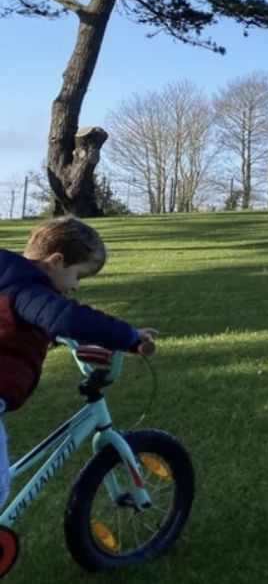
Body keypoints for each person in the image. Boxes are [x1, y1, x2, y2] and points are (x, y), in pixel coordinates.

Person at [0, 217, 157, 506]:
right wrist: (130, 337)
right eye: (79, 275)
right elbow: (67, 318)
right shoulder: (28, 290)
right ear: (56, 261)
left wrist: (49, 335)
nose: (76, 286)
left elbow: (16, 323)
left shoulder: (7, 278)